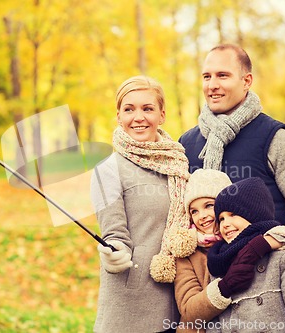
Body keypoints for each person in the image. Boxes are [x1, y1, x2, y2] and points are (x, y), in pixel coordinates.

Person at [179, 44, 285, 271]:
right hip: (205, 285)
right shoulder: (186, 144)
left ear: (246, 81)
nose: (212, 85)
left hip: (264, 279)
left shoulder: (275, 137)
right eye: (207, 77)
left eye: (223, 76)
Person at [90, 75, 196, 333]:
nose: (138, 117)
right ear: (118, 116)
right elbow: (114, 232)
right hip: (133, 306)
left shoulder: (179, 163)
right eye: (129, 109)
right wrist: (113, 253)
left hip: (182, 297)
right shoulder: (108, 169)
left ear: (161, 115)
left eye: (147, 108)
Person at [173, 169, 285, 333]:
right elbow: (189, 313)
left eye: (209, 206)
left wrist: (259, 245)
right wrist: (225, 286)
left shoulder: (246, 236)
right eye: (194, 211)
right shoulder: (188, 253)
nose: (201, 216)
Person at [206, 177, 285, 332]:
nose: (225, 224)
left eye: (233, 214)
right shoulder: (220, 267)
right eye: (221, 219)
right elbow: (215, 325)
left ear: (254, 213)